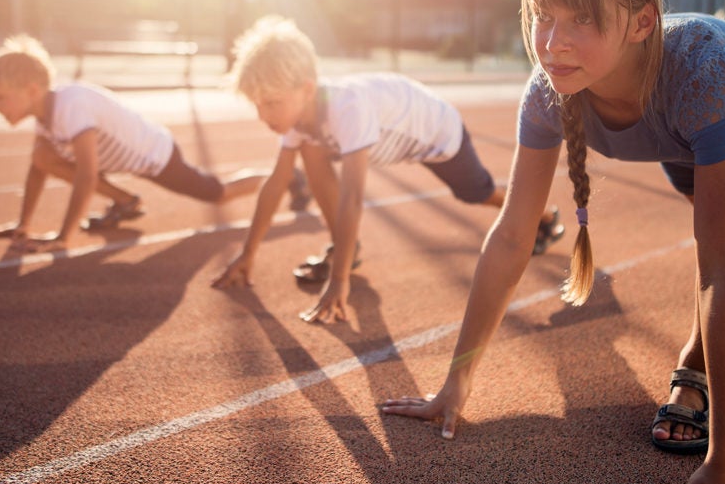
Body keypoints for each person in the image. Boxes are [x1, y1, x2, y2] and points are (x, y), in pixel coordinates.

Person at [379, 0, 725, 484]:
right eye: (545, 15)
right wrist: (455, 382)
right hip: (685, 136)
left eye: (584, 18)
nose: (554, 40)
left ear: (643, 20)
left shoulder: (704, 73)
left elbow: (722, 272)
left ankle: (694, 364)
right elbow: (514, 234)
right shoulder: (548, 90)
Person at [210, 16, 566, 323]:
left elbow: (352, 199)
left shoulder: (346, 109)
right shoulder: (297, 119)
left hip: (437, 133)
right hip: (398, 129)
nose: (264, 116)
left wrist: (338, 280)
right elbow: (276, 183)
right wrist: (248, 253)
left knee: (476, 193)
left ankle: (542, 217)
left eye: (271, 103)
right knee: (310, 151)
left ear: (306, 90)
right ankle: (345, 247)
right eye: (258, 105)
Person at [0, 35, 283, 253]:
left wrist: (62, 237)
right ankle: (125, 201)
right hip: (121, 160)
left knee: (218, 194)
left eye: (0, 98)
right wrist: (23, 224)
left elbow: (86, 174)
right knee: (42, 156)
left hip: (156, 155)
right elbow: (37, 169)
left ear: (31, 90)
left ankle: (285, 179)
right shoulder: (45, 114)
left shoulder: (71, 106)